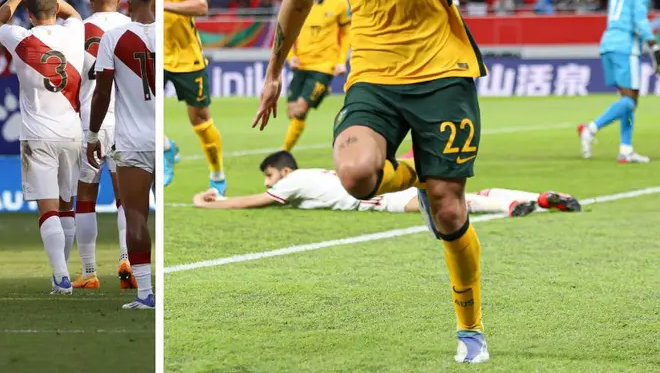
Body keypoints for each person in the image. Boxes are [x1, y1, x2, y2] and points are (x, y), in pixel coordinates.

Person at [251, 0, 490, 363]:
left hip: (441, 69)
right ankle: (426, 179)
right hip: (374, 74)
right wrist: (272, 71)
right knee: (355, 176)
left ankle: (471, 330)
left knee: (451, 209)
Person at [0, 0, 84, 295]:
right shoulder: (76, 31)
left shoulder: (20, 38)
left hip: (37, 133)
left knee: (47, 209)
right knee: (66, 205)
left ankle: (60, 276)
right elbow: (73, 14)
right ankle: (66, 271)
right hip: (72, 130)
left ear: (29, 15)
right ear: (55, 10)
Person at [192, 151, 582, 216]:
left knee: (451, 205)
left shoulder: (294, 182)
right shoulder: (312, 176)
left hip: (383, 199)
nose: (268, 183)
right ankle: (538, 198)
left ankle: (510, 207)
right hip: (386, 186)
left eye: (270, 176)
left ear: (284, 173)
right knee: (462, 194)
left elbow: (254, 202)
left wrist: (209, 202)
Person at [87, 0, 157, 309]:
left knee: (137, 216)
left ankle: (145, 294)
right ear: (155, 1)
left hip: (133, 140)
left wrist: (92, 134)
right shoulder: (171, 36)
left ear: (128, 2)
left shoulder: (113, 38)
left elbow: (102, 93)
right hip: (164, 138)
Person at [73, 0, 134, 290]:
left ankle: (89, 271)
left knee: (86, 195)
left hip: (91, 118)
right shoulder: (133, 28)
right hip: (127, 120)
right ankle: (128, 260)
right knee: (126, 196)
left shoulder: (79, 29)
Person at [579, 0, 659, 163]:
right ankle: (591, 128)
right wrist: (652, 43)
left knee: (628, 98)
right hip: (626, 45)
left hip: (609, 42)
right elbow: (638, 16)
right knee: (631, 100)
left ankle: (626, 150)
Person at [162, 0, 226, 194]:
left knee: (199, 119)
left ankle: (218, 177)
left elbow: (200, 5)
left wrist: (163, 4)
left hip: (185, 56)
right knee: (140, 111)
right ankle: (166, 146)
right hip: (154, 52)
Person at [282, 0, 350, 151]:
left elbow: (347, 33)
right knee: (291, 111)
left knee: (300, 111)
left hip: (324, 66)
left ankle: (284, 151)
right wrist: (291, 56)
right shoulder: (296, 1)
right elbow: (287, 32)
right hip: (301, 64)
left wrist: (341, 61)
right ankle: (322, 91)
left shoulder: (339, 2)